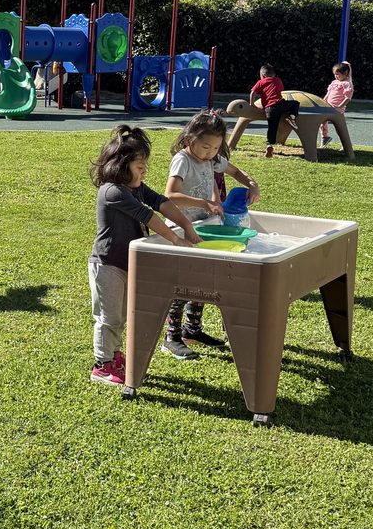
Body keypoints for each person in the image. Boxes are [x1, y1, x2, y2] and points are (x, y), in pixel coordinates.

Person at [88, 125, 200, 386]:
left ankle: (114, 356)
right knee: (109, 318)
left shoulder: (136, 187)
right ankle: (102, 365)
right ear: (120, 166)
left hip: (127, 263)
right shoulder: (112, 191)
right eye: (140, 166)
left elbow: (161, 202)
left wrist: (187, 225)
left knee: (120, 316)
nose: (144, 170)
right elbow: (147, 215)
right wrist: (175, 239)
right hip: (107, 265)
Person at [161, 110, 261, 360]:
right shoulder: (183, 160)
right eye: (206, 147)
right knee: (182, 283)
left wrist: (252, 184)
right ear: (190, 139)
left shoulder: (211, 159)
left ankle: (192, 330)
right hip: (181, 229)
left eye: (216, 148)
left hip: (203, 227)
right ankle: (171, 337)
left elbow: (235, 171)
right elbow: (170, 195)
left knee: (202, 280)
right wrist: (206, 203)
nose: (210, 153)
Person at [250, 63, 298, 158]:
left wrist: (252, 104)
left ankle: (269, 145)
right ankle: (291, 117)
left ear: (262, 75)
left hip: (269, 109)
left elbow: (253, 92)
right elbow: (281, 89)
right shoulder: (277, 80)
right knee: (295, 103)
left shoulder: (260, 82)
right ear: (274, 74)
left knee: (272, 127)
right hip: (280, 104)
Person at [321, 61, 354, 146]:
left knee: (339, 128)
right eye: (335, 74)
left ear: (345, 73)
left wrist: (340, 106)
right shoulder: (334, 82)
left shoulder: (347, 84)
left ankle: (345, 143)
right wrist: (323, 101)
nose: (336, 76)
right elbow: (328, 94)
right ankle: (324, 137)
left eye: (338, 74)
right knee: (322, 122)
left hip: (337, 110)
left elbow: (348, 98)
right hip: (328, 107)